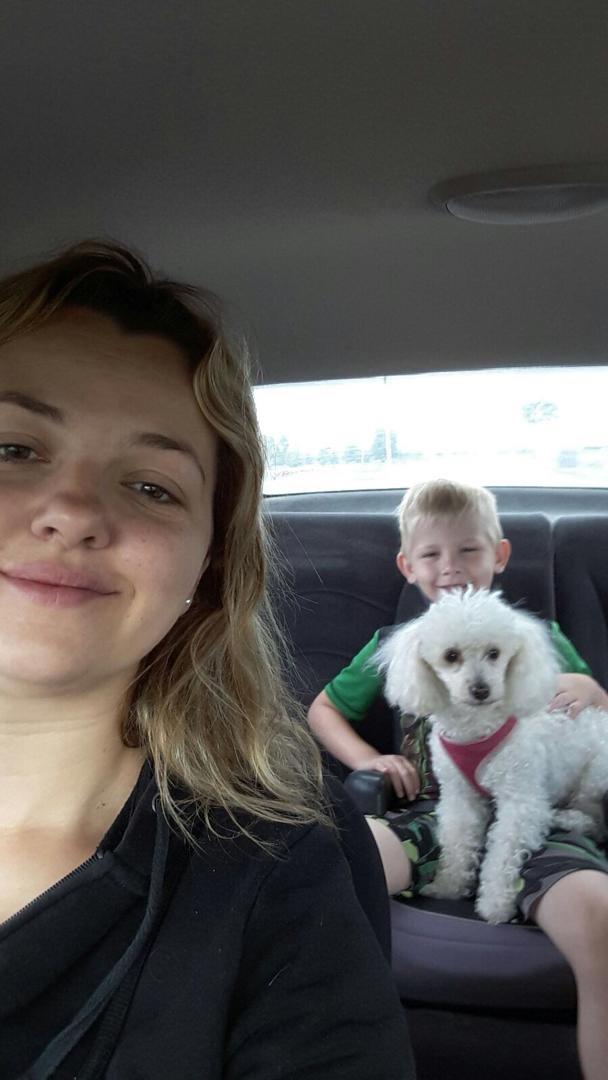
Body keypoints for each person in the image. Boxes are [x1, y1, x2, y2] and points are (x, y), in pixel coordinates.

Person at [0, 241, 413, 1080]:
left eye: (152, 486)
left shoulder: (277, 871)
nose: (72, 511)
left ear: (208, 566)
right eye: (12, 449)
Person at [307, 478, 608, 1080]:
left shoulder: (539, 639)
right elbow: (323, 709)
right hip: (427, 810)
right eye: (432, 554)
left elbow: (595, 721)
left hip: (545, 815)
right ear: (408, 565)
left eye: (469, 550)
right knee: (328, 873)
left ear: (499, 555)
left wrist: (591, 689)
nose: (450, 567)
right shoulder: (395, 645)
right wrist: (368, 759)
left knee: (601, 923)